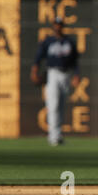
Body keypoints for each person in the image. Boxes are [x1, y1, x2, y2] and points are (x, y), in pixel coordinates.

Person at [30, 17, 80, 146]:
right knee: (53, 105)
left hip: (66, 74)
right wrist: (34, 72)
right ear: (53, 26)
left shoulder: (69, 41)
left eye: (60, 25)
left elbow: (75, 62)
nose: (58, 27)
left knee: (62, 105)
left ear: (62, 26)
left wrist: (76, 75)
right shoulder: (48, 41)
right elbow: (38, 58)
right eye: (56, 25)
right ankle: (53, 137)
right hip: (52, 73)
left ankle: (58, 135)